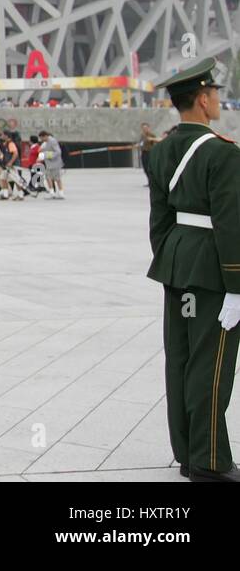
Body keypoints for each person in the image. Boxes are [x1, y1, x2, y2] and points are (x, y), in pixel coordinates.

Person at [147, 57, 240, 481]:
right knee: (212, 362)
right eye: (216, 93)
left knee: (181, 359)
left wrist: (173, 259)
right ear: (203, 99)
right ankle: (210, 461)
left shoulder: (161, 149)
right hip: (212, 273)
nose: (219, 99)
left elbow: (159, 221)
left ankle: (186, 453)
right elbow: (230, 222)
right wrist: (237, 286)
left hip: (178, 268)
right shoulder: (222, 153)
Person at [39, 130, 65, 199]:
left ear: (45, 136)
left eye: (41, 138)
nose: (41, 140)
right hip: (49, 164)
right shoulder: (45, 142)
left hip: (55, 163)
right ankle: (52, 193)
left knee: (57, 178)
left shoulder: (52, 141)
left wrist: (46, 155)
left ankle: (61, 193)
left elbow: (58, 152)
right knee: (48, 178)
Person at [140, 122, 160, 187]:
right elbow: (141, 143)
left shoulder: (151, 135)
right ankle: (149, 181)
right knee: (145, 167)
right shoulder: (142, 135)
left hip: (149, 152)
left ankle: (152, 182)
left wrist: (151, 139)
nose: (144, 129)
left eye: (146, 128)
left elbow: (157, 140)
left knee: (149, 168)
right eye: (143, 128)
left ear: (148, 128)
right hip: (143, 152)